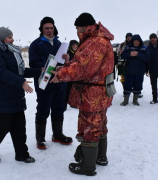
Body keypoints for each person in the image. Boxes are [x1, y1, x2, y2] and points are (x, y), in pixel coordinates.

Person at [50, 13, 114, 176]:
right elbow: (83, 64)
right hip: (101, 92)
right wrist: (64, 67)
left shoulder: (95, 42)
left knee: (88, 128)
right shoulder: (99, 39)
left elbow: (84, 69)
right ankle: (100, 157)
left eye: (78, 28)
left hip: (92, 95)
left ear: (85, 27)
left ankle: (87, 166)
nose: (77, 31)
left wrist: (61, 75)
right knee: (100, 125)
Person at [0, 27, 42, 163]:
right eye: (9, 37)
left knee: (19, 128)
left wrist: (39, 70)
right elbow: (1, 72)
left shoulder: (12, 51)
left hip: (15, 96)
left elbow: (20, 71)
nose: (13, 39)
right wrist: (21, 82)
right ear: (2, 39)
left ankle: (22, 154)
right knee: (1, 127)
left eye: (12, 36)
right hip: (1, 97)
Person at [29, 17, 73, 150]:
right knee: (43, 109)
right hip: (45, 83)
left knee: (59, 109)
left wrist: (67, 59)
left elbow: (66, 64)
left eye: (51, 28)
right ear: (42, 29)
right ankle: (40, 139)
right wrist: (49, 67)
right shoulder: (36, 44)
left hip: (60, 82)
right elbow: (33, 64)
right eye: (46, 28)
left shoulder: (60, 44)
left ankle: (57, 135)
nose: (49, 30)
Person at [120, 34, 150, 106]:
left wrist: (137, 54)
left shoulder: (144, 48)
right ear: (132, 41)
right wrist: (130, 54)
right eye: (134, 41)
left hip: (139, 71)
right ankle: (125, 101)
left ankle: (135, 100)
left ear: (139, 41)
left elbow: (147, 57)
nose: (136, 42)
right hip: (129, 71)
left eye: (137, 41)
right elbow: (123, 55)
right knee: (127, 86)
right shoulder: (128, 47)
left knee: (138, 86)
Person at [65, 40, 79, 110]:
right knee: (67, 89)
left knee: (76, 89)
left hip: (77, 74)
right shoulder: (68, 53)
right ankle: (64, 104)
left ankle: (75, 103)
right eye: (73, 45)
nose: (75, 46)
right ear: (71, 46)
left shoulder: (79, 53)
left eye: (76, 45)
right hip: (69, 74)